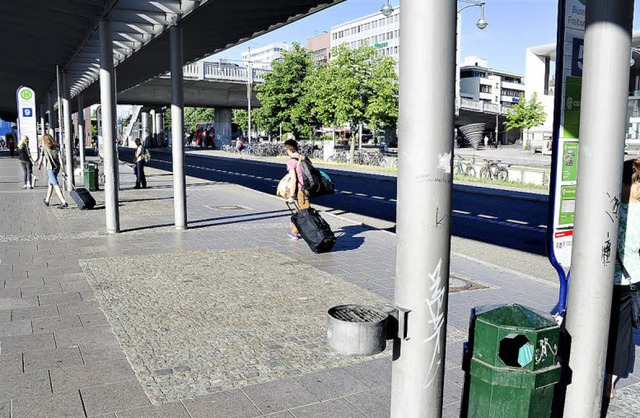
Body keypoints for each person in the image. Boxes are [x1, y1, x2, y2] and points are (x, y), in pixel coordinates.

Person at [606, 158, 640, 399]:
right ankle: (611, 379)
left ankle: (609, 378)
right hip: (626, 282)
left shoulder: (610, 206)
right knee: (622, 333)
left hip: (619, 280)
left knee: (616, 331)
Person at [283, 139, 310, 240]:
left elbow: (294, 180)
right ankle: (294, 231)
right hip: (308, 187)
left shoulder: (291, 162)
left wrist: (291, 196)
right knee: (300, 210)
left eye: (286, 149)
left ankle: (314, 230)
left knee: (304, 212)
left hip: (301, 190)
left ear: (289, 149)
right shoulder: (304, 158)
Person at [37, 133, 68, 208]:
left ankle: (63, 201)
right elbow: (60, 159)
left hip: (50, 169)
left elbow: (41, 157)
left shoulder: (44, 148)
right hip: (57, 168)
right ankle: (47, 200)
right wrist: (63, 169)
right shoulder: (57, 147)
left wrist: (39, 165)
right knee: (50, 184)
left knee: (55, 184)